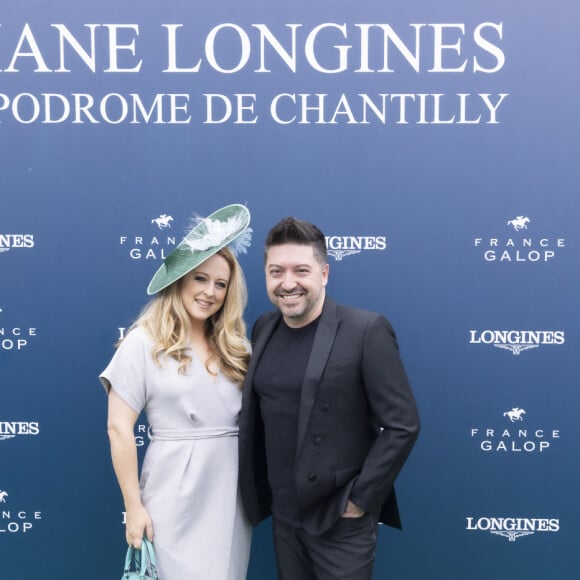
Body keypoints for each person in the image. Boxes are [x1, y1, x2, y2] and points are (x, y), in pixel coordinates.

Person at [239, 217, 420, 580]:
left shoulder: (366, 330)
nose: (287, 283)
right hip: (285, 519)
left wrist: (359, 501)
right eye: (276, 271)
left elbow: (403, 425)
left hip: (340, 520)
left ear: (324, 273)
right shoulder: (262, 328)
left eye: (300, 270)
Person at [101, 204, 253, 580]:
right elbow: (119, 429)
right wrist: (133, 507)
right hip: (172, 489)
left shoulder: (237, 347)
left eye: (221, 284)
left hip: (231, 491)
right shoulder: (142, 342)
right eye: (201, 279)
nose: (210, 292)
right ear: (181, 279)